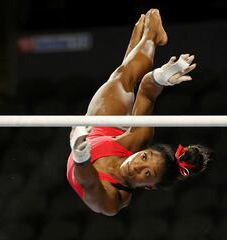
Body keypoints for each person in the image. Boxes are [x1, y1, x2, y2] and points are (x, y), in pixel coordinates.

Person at [67, 9, 211, 216]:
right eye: (144, 157)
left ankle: (145, 38)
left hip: (87, 145)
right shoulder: (137, 139)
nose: (137, 165)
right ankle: (151, 36)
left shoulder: (113, 200)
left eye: (147, 173)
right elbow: (146, 92)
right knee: (122, 78)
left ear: (150, 186)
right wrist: (160, 77)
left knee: (121, 73)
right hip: (108, 134)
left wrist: (80, 152)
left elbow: (88, 183)